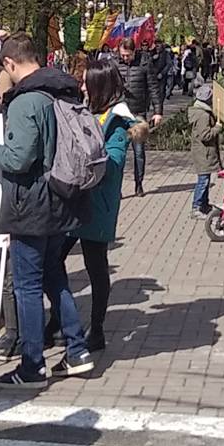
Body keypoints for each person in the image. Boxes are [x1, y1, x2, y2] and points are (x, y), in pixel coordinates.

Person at [0, 38, 92, 387]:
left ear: (10, 64)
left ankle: (32, 364)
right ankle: (77, 350)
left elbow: (18, 158)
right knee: (55, 276)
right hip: (63, 196)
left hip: (32, 203)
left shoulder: (27, 101)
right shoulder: (65, 90)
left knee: (26, 285)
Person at [69, 56, 142, 353]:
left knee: (95, 267)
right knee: (53, 261)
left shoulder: (118, 120)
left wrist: (86, 156)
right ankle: (61, 321)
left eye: (87, 82)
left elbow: (113, 163)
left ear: (100, 85)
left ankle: (96, 329)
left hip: (98, 204)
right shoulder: (88, 111)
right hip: (75, 199)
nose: (83, 86)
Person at [116, 41, 154, 196]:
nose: (125, 58)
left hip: (138, 113)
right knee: (118, 152)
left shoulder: (144, 63)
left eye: (128, 55)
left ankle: (139, 184)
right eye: (122, 55)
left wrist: (158, 111)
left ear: (134, 52)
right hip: (120, 113)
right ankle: (116, 187)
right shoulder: (115, 64)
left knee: (138, 152)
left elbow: (153, 87)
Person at [187, 83, 223, 217]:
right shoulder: (203, 115)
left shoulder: (201, 112)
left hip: (203, 152)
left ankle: (204, 204)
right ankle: (196, 207)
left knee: (205, 179)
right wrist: (217, 128)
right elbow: (205, 135)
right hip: (204, 152)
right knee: (203, 180)